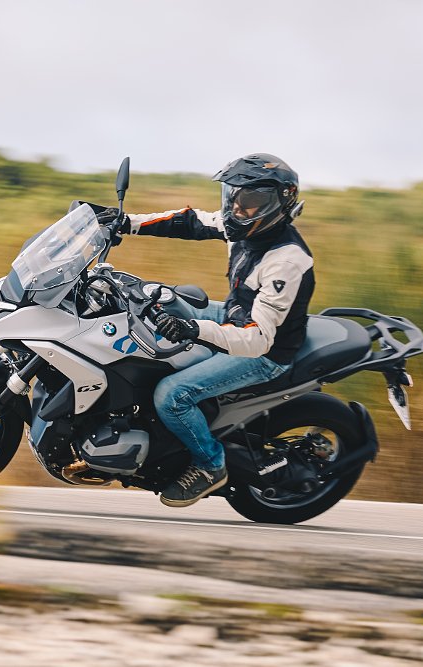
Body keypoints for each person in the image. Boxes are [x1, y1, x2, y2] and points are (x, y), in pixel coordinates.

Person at [98, 153, 315, 507]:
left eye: (249, 200)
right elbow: (190, 222)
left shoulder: (286, 262)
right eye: (233, 196)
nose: (236, 208)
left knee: (172, 395)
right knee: (156, 299)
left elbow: (256, 339)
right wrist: (126, 222)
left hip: (265, 350)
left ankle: (210, 465)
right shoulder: (241, 224)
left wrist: (193, 329)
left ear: (279, 203)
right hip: (235, 313)